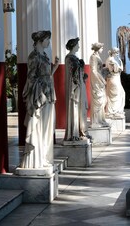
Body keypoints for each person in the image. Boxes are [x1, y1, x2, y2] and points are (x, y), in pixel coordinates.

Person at [20, 30, 59, 169]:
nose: (49, 42)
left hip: (48, 94)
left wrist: (54, 67)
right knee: (39, 126)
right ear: (40, 40)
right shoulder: (34, 56)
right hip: (39, 96)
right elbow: (31, 78)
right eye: (47, 39)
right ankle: (35, 159)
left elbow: (46, 75)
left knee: (47, 127)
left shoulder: (44, 55)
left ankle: (43, 157)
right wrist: (34, 96)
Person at [64, 37, 88, 141]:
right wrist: (81, 66)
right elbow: (74, 74)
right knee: (75, 109)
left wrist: (83, 73)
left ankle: (80, 131)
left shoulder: (74, 58)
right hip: (75, 89)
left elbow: (78, 73)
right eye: (77, 44)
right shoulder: (70, 58)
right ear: (73, 45)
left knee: (80, 109)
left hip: (79, 86)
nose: (79, 46)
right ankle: (74, 133)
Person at [89, 42, 109, 128]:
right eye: (101, 48)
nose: (102, 49)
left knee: (102, 100)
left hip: (99, 80)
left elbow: (98, 70)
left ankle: (100, 119)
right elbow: (93, 71)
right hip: (97, 82)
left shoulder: (97, 56)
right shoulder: (93, 57)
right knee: (98, 100)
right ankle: (96, 121)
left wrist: (105, 70)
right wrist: (101, 80)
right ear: (98, 48)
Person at [105, 47, 125, 118]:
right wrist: (120, 63)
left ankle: (115, 111)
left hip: (114, 79)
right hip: (114, 79)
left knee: (121, 93)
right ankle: (114, 111)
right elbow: (118, 69)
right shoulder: (111, 60)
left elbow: (120, 69)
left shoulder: (111, 59)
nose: (117, 54)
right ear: (113, 52)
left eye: (118, 52)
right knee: (116, 95)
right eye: (116, 52)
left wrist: (120, 62)